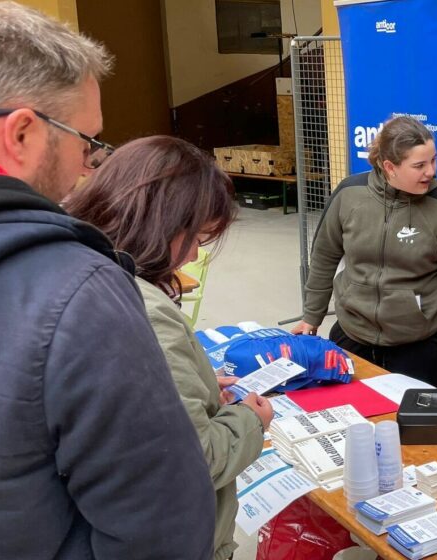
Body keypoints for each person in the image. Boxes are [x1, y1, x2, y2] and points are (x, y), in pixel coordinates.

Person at [0, 2, 215, 559]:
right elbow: (163, 528)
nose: (89, 166)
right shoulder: (76, 289)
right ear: (22, 132)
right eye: (86, 141)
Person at [63, 136, 272, 560]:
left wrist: (200, 383)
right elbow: (197, 459)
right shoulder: (146, 309)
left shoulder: (79, 270)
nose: (194, 254)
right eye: (196, 237)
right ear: (160, 221)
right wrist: (250, 419)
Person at [292, 115, 437, 389]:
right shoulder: (348, 194)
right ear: (390, 167)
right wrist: (311, 316)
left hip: (418, 344)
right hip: (352, 334)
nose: (431, 171)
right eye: (419, 165)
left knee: (408, 417)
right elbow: (323, 258)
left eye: (433, 160)